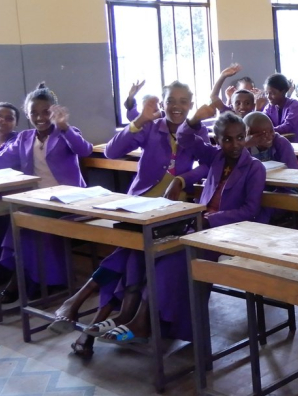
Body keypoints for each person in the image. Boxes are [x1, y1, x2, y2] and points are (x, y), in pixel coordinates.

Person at [48, 82, 209, 356]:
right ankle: (102, 317)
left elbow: (207, 164)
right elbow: (111, 152)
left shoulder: (196, 131)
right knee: (130, 253)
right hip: (139, 207)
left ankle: (79, 307)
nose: (176, 106)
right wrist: (139, 120)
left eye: (183, 101)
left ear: (190, 105)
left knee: (127, 255)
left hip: (172, 212)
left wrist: (183, 178)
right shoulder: (150, 126)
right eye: (171, 100)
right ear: (163, 103)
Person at [97, 108, 267, 345]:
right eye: (227, 139)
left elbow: (250, 210)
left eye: (240, 137)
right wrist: (195, 119)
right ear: (217, 141)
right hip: (198, 227)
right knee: (144, 251)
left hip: (227, 233)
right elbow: (187, 138)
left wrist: (210, 218)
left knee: (171, 261)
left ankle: (143, 322)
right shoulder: (215, 157)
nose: (235, 144)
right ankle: (128, 314)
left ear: (246, 135)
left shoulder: (255, 167)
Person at [0, 83, 93, 305]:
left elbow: (85, 150)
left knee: (27, 224)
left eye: (46, 112)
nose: (40, 117)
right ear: (28, 114)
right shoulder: (24, 138)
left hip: (69, 200)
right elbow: (2, 159)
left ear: (55, 111)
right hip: (38, 198)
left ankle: (31, 282)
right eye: (34, 113)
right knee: (19, 223)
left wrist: (64, 126)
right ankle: (34, 281)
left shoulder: (66, 133)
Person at [263, 73, 298, 143]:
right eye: (266, 93)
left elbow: (287, 126)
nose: (268, 96)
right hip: (283, 144)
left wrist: (266, 132)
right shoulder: (269, 107)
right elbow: (262, 122)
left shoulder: (294, 105)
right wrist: (257, 107)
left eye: (272, 93)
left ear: (283, 92)